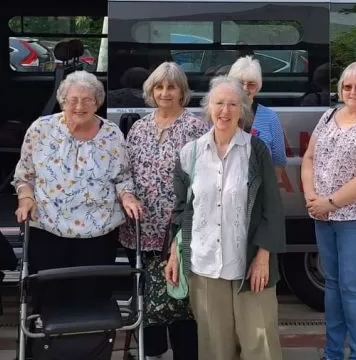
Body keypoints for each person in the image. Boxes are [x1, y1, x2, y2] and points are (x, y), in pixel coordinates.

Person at [165, 76, 285, 360]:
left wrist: (263, 258)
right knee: (214, 346)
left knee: (260, 343)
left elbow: (272, 207)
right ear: (208, 108)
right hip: (204, 264)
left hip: (250, 263)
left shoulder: (256, 151)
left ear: (242, 110)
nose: (225, 111)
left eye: (233, 104)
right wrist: (174, 252)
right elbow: (182, 209)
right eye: (219, 103)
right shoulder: (190, 153)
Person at [12, 70, 142, 318]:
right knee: (49, 300)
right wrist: (25, 198)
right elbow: (24, 176)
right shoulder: (41, 129)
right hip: (48, 229)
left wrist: (128, 197)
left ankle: (91, 350)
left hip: (98, 233)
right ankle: (46, 351)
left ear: (98, 102)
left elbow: (122, 178)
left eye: (87, 100)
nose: (79, 106)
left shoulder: (112, 134)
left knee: (92, 301)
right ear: (63, 100)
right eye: (73, 100)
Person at [301, 61, 356, 360]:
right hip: (324, 217)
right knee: (332, 285)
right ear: (340, 89)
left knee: (353, 287)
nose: (352, 92)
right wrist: (313, 197)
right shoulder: (328, 116)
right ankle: (332, 353)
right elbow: (309, 158)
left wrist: (331, 202)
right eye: (347, 86)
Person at [119, 62, 207, 360]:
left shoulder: (195, 127)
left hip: (180, 228)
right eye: (159, 87)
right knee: (146, 294)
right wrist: (128, 196)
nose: (165, 93)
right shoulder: (140, 127)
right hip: (140, 229)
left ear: (183, 91)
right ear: (150, 91)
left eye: (172, 87)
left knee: (181, 297)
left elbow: (204, 177)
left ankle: (186, 354)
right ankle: (152, 353)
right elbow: (124, 172)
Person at [227, 56, 286, 176]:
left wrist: (268, 190)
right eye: (239, 83)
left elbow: (279, 162)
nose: (245, 88)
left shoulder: (270, 117)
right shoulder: (221, 114)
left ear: (258, 87)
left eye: (251, 84)